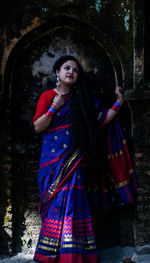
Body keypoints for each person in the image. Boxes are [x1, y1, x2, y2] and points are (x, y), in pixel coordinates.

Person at [33, 55, 137, 263]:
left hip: (75, 161)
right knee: (54, 204)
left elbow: (99, 122)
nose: (71, 72)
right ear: (57, 72)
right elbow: (38, 127)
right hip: (52, 163)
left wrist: (118, 103)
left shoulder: (83, 100)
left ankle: (75, 255)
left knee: (74, 202)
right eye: (66, 68)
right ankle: (50, 255)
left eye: (75, 70)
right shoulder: (47, 96)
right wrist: (54, 107)